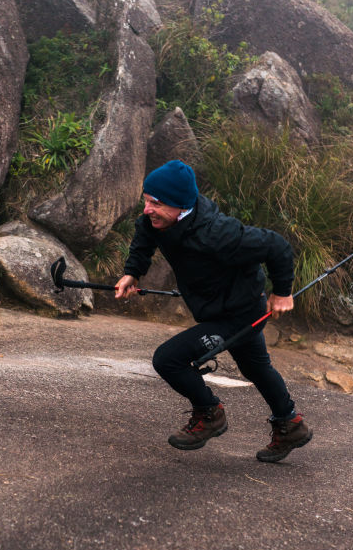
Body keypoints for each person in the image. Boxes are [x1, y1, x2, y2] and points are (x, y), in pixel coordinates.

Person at [115, 159, 312, 462]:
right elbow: (144, 235)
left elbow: (277, 247)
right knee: (256, 368)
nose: (147, 209)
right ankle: (290, 424)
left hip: (242, 313)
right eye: (146, 200)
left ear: (181, 206)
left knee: (168, 360)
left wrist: (282, 293)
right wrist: (133, 272)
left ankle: (210, 414)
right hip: (216, 309)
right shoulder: (158, 221)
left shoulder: (218, 233)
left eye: (156, 203)